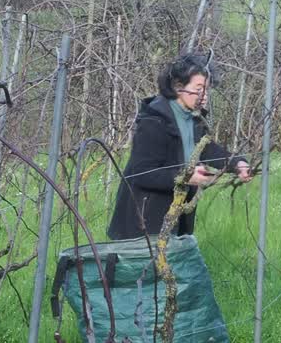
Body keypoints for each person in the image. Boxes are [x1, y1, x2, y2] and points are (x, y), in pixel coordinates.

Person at [107, 53, 254, 240]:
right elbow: (142, 174)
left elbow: (206, 148)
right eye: (199, 89)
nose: (204, 96)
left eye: (207, 90)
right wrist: (185, 177)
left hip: (176, 216)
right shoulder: (154, 120)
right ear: (178, 87)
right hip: (144, 221)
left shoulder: (193, 117)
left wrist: (238, 164)